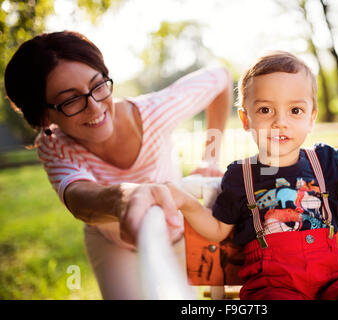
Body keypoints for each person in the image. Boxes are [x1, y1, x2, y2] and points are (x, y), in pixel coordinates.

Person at [166, 51, 338, 300]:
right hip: (271, 286)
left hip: (333, 283)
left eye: (295, 111)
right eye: (266, 110)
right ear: (245, 119)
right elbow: (219, 229)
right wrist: (185, 203)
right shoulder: (240, 175)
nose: (281, 122)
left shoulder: (325, 161)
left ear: (311, 118)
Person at [4, 30, 232, 299]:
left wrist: (210, 159)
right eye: (71, 100)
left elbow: (221, 78)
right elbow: (77, 196)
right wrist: (125, 197)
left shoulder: (154, 113)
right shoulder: (55, 145)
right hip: (112, 242)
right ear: (43, 116)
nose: (95, 108)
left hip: (179, 230)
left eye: (98, 85)